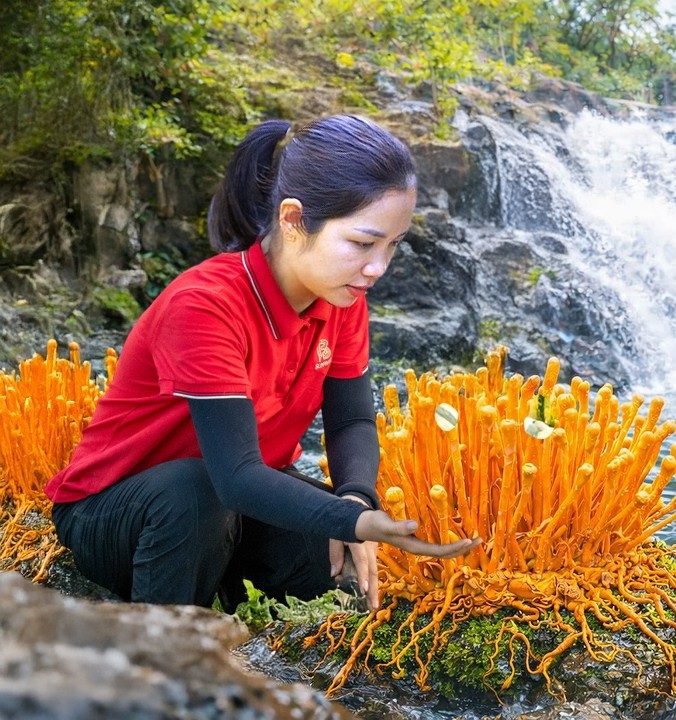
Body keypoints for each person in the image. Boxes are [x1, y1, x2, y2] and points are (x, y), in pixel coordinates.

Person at [45, 115, 478, 610]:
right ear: (293, 220)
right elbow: (235, 475)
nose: (377, 268)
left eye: (391, 245)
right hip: (121, 512)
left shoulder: (342, 299)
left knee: (322, 555)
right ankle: (161, 652)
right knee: (198, 491)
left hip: (229, 506)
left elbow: (352, 418)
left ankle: (231, 613)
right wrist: (350, 521)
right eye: (362, 243)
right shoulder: (206, 304)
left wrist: (356, 499)